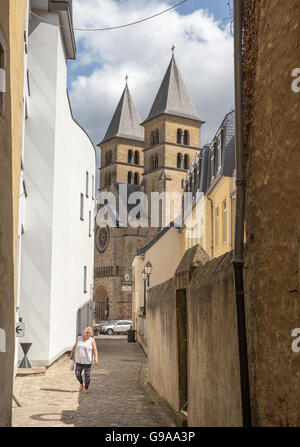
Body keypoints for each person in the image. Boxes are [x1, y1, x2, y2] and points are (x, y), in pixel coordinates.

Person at [70, 327, 98, 394]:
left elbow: (95, 350)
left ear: (91, 334)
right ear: (84, 332)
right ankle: (81, 384)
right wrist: (71, 354)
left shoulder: (92, 340)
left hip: (87, 361)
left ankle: (86, 388)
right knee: (77, 374)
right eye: (86, 333)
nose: (88, 334)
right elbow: (74, 346)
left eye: (89, 333)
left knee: (87, 375)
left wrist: (96, 358)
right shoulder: (79, 338)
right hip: (79, 360)